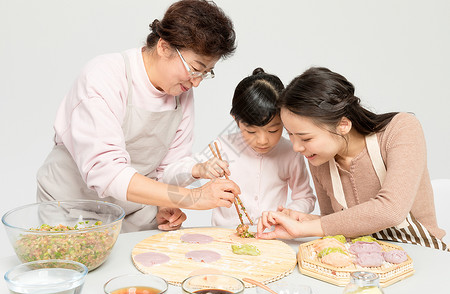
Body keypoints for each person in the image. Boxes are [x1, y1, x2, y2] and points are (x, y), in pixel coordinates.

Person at [36, 0, 240, 233]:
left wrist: (164, 204)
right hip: (70, 209)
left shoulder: (181, 92)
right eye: (195, 68)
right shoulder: (105, 76)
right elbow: (108, 173)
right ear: (164, 47)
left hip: (134, 213)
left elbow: (166, 171)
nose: (196, 82)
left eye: (206, 73)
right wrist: (192, 198)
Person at [257, 67, 448, 251]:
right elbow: (338, 228)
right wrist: (305, 220)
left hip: (423, 256)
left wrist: (306, 228)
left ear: (343, 125)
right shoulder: (319, 159)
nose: (296, 147)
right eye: (290, 134)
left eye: (306, 138)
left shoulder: (401, 130)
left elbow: (391, 209)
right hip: (365, 265)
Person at [166, 68, 316, 226]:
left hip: (270, 238)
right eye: (251, 131)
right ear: (235, 119)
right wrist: (198, 169)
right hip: (223, 238)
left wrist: (289, 213)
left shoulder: (290, 152)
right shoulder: (223, 146)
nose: (263, 140)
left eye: (273, 130)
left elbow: (305, 197)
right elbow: (169, 177)